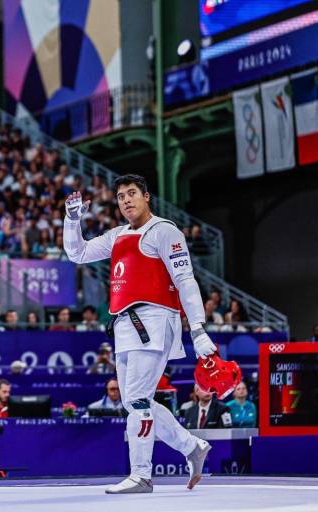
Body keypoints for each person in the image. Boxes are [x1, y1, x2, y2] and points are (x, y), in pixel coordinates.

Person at [63, 174, 216, 494]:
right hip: (124, 325)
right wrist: (72, 220)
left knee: (135, 398)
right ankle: (191, 447)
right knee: (135, 402)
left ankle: (142, 474)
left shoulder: (165, 231)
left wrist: (198, 329)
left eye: (132, 193)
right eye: (120, 197)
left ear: (147, 197)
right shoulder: (117, 235)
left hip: (156, 321)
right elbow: (77, 254)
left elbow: (186, 279)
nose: (126, 200)